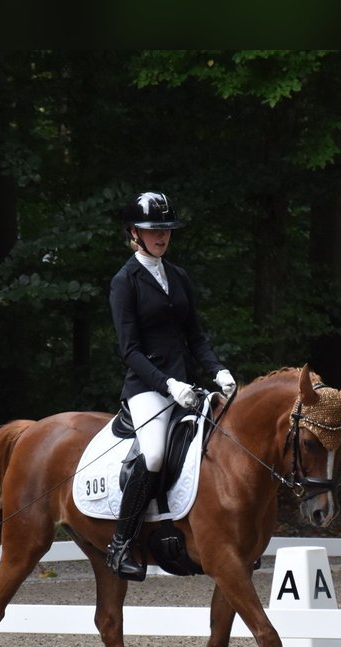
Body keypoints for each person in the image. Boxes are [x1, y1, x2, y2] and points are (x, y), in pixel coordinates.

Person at [105, 191, 236, 580]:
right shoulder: (124, 282)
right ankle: (121, 544)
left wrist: (218, 370)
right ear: (134, 232)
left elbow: (195, 337)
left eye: (166, 229)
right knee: (155, 456)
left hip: (188, 387)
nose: (162, 236)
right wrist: (167, 385)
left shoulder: (178, 277)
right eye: (153, 229)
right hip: (147, 389)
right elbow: (129, 351)